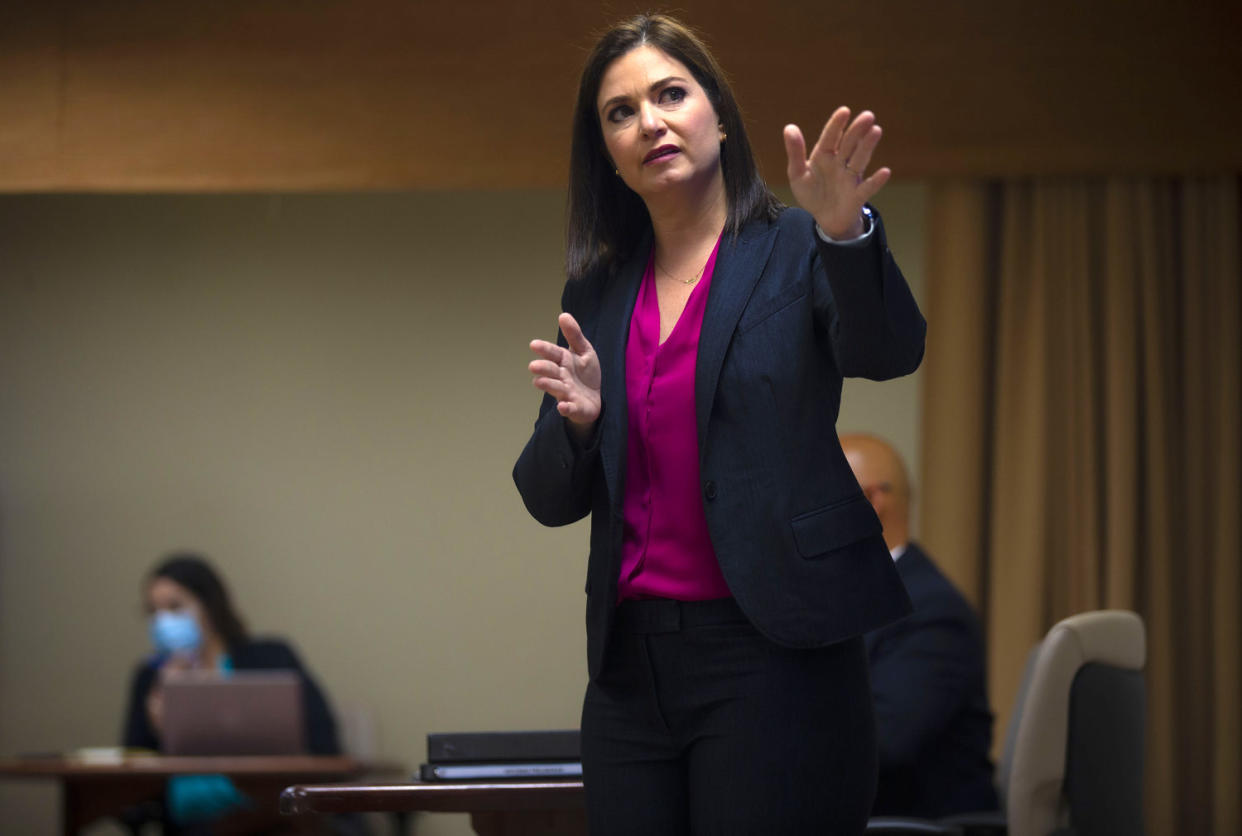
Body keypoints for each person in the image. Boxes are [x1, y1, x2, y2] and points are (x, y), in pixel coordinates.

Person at [513, 14, 925, 835]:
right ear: (606, 151)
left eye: (671, 93)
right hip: (631, 669)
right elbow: (547, 496)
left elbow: (888, 351)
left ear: (721, 116)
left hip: (774, 648)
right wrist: (582, 424)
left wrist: (845, 233)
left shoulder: (796, 245)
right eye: (620, 112)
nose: (650, 122)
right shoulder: (594, 290)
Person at [122, 552, 341, 831]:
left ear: (210, 607)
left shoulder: (270, 658)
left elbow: (324, 742)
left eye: (175, 607)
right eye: (154, 611)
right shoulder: (150, 678)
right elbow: (132, 765)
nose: (163, 621)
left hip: (269, 816)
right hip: (189, 823)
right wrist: (160, 726)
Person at [841, 433, 998, 818]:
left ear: (871, 501)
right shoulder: (846, 599)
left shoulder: (932, 611)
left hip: (911, 820)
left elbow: (883, 744)